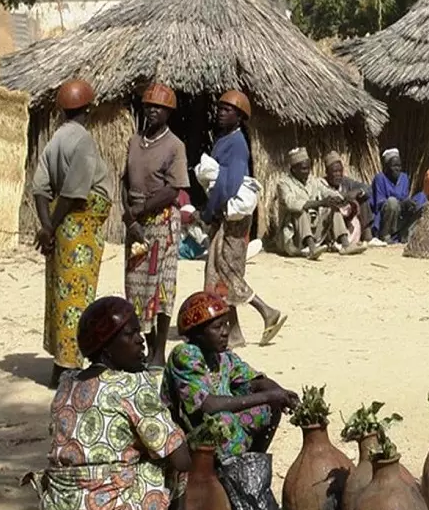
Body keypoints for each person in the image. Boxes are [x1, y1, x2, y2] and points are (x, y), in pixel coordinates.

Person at [30, 296, 190, 510]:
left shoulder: (67, 383)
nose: (141, 340)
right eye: (130, 334)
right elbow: (182, 460)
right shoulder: (131, 386)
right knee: (174, 464)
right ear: (107, 348)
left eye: (139, 332)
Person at [32, 79, 114, 387]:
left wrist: (46, 227)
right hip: (79, 227)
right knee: (77, 295)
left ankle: (59, 363)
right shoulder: (84, 141)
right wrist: (51, 226)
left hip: (60, 227)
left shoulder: (54, 140)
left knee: (59, 294)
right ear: (88, 109)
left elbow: (40, 189)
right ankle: (67, 369)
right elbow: (73, 193)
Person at [163, 290, 299, 457]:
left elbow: (255, 382)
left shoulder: (222, 356)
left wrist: (281, 394)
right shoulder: (185, 354)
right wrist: (268, 396)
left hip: (219, 427)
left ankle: (251, 462)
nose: (225, 332)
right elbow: (207, 406)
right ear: (197, 333)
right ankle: (224, 468)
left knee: (270, 408)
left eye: (226, 324)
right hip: (185, 436)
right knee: (223, 422)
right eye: (217, 327)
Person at [201, 90, 284, 347]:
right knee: (218, 272)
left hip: (231, 219)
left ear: (239, 117)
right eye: (220, 108)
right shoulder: (224, 140)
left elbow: (229, 184)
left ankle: (266, 310)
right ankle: (235, 334)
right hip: (224, 215)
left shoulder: (236, 143)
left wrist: (209, 211)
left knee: (226, 271)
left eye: (228, 110)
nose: (221, 113)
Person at [123, 83, 188, 361]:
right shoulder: (134, 142)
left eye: (159, 107)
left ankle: (159, 351)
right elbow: (125, 181)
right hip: (136, 221)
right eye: (149, 106)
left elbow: (173, 189)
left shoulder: (175, 146)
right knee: (136, 286)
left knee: (160, 286)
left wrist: (141, 209)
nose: (152, 111)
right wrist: (129, 216)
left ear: (169, 112)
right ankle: (147, 346)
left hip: (162, 222)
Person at [324, 151, 378, 246]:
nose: (338, 174)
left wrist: (358, 191)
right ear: (327, 172)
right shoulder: (322, 183)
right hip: (332, 222)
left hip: (349, 220)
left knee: (363, 199)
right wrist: (345, 197)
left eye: (340, 171)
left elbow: (368, 189)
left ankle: (368, 238)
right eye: (334, 172)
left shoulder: (346, 182)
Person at [370, 148, 422, 244]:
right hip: (387, 216)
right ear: (386, 167)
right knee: (392, 202)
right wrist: (401, 203)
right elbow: (379, 203)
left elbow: (405, 197)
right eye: (394, 166)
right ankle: (385, 235)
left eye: (399, 166)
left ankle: (405, 233)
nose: (397, 169)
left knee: (421, 198)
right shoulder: (380, 178)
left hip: (401, 215)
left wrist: (409, 203)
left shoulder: (404, 177)